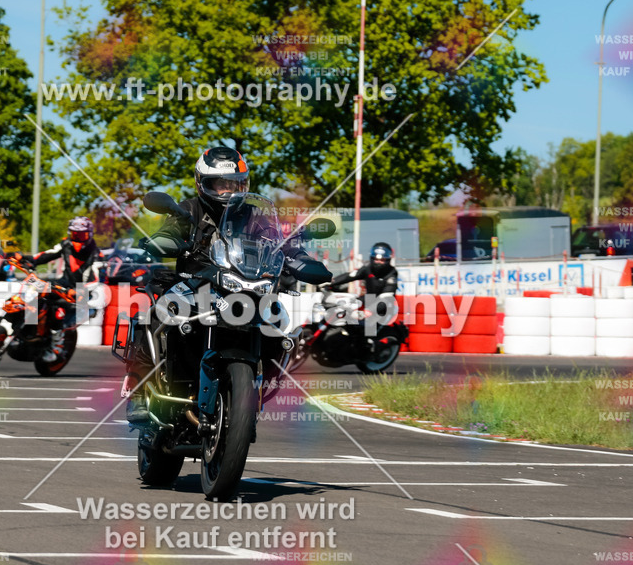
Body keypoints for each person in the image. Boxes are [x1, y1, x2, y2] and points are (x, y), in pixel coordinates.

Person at [123, 146, 331, 423]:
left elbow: (281, 242)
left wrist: (299, 258)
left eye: (235, 184)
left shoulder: (257, 216)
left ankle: (250, 391)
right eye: (220, 184)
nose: (228, 191)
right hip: (196, 285)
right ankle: (139, 392)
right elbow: (172, 231)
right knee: (157, 311)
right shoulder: (189, 209)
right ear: (203, 183)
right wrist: (165, 241)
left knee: (279, 323)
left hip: (247, 289)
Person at [321, 241, 399, 353]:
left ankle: (367, 349)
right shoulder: (368, 268)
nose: (378, 262)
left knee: (367, 328)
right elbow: (350, 275)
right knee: (345, 308)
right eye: (376, 259)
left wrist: (367, 312)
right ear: (372, 258)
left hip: (384, 307)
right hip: (368, 299)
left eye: (382, 260)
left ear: (387, 260)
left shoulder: (392, 274)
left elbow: (386, 297)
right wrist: (330, 282)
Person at [20, 216, 101, 287]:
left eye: (81, 236)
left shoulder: (96, 253)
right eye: (74, 235)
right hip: (65, 284)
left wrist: (80, 290)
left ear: (89, 235)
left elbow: (95, 280)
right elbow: (47, 254)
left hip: (83, 291)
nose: (77, 240)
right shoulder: (65, 245)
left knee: (76, 304)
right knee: (39, 290)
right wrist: (25, 259)